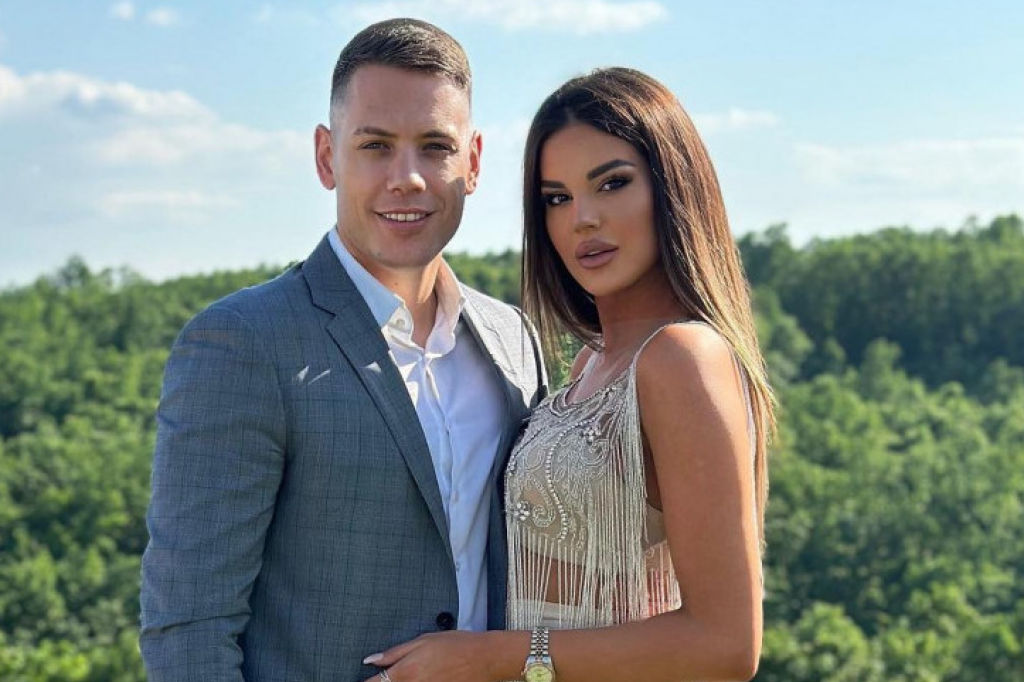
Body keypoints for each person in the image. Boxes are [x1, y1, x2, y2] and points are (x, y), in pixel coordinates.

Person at [139, 18, 546, 682]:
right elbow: (189, 627)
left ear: (472, 162)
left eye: (435, 147)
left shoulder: (513, 342)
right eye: (376, 146)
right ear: (327, 157)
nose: (407, 178)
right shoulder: (242, 343)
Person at [360, 67, 775, 682]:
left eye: (612, 184)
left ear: (673, 187)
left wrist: (489, 657)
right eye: (557, 198)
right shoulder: (590, 362)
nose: (583, 218)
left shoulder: (681, 357)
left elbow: (727, 644)